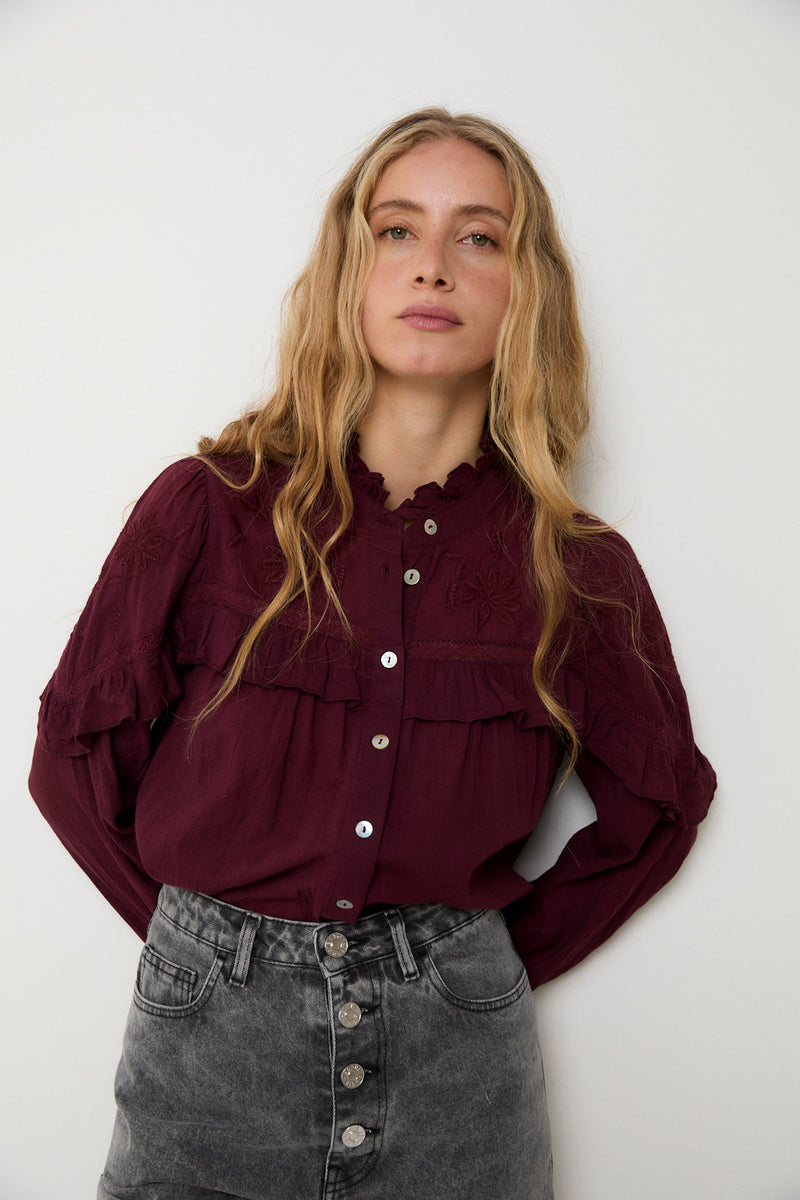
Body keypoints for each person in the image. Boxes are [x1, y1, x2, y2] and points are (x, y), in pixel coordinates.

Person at [29, 107, 716, 1200]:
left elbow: (661, 805)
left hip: (459, 1084)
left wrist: (469, 966)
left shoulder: (576, 568)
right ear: (349, 270)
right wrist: (198, 944)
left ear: (523, 289)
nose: (432, 265)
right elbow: (72, 754)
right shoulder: (206, 511)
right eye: (397, 230)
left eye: (478, 236)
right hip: (205, 1075)